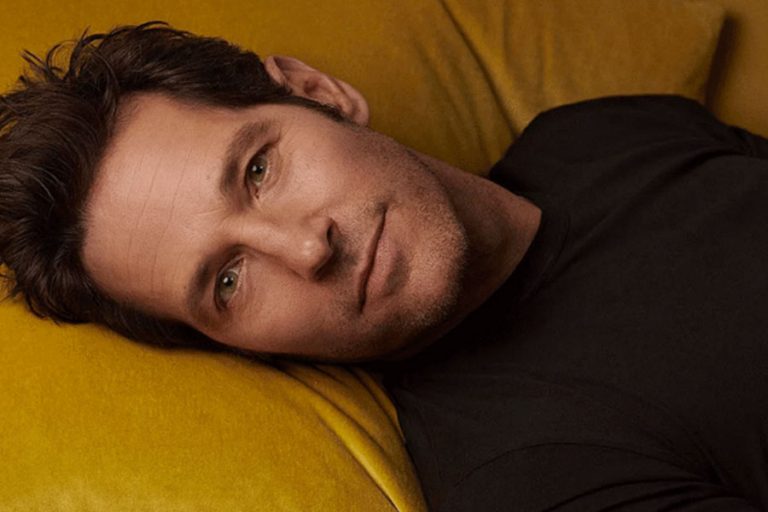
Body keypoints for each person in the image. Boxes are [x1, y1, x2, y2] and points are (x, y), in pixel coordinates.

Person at [1, 22, 766, 511]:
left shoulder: (590, 133)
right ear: (232, 346)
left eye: (258, 170)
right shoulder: (529, 477)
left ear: (315, 92)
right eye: (227, 281)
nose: (307, 250)